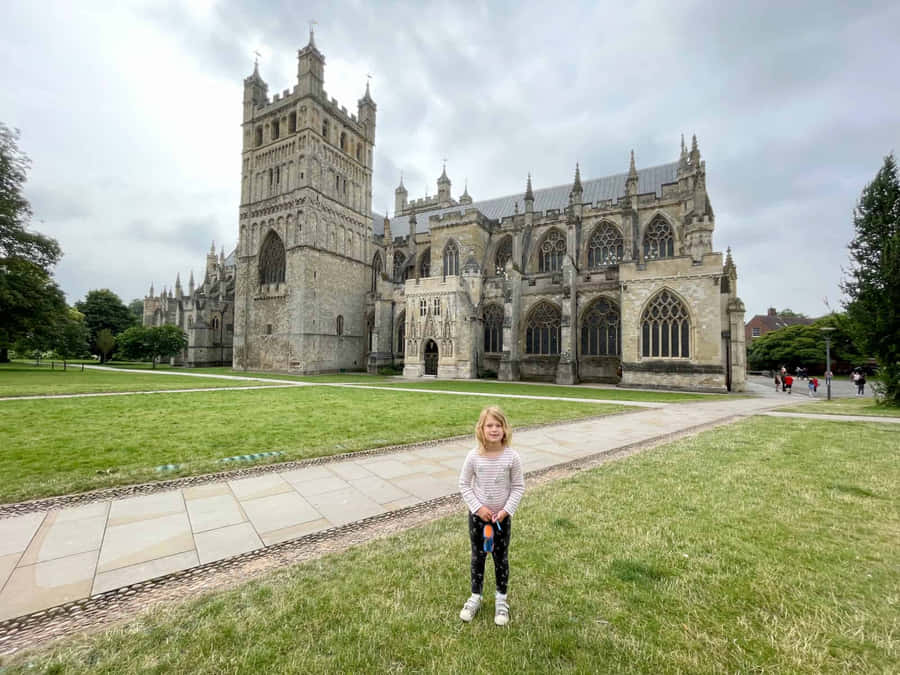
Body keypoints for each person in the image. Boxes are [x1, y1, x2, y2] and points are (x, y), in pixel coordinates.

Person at [458, 406, 525, 626]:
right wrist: (478, 508)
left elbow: (518, 487)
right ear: (481, 429)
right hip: (478, 519)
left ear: (505, 429)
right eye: (490, 425)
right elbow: (464, 485)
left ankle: (501, 600)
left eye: (498, 425)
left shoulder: (511, 457)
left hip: (501, 521)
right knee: (478, 557)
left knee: (500, 558)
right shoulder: (474, 456)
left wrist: (506, 511)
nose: (494, 429)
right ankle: (475, 597)